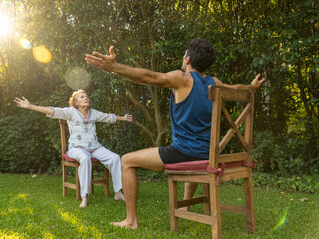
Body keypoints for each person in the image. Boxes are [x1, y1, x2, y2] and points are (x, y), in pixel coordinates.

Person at [85, 38, 265, 228]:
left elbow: (150, 77)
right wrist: (251, 88)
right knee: (191, 151)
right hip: (209, 153)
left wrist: (114, 67)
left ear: (187, 59)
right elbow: (236, 89)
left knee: (127, 161)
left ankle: (130, 221)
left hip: (185, 153)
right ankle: (185, 209)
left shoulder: (183, 78)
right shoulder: (215, 83)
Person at [14, 89, 133, 207]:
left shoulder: (93, 113)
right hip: (77, 148)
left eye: (86, 96)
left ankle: (118, 192)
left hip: (95, 147)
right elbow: (51, 110)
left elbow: (107, 117)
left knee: (115, 158)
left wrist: (123, 118)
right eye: (81, 97)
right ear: (75, 103)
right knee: (85, 158)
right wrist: (30, 106)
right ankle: (84, 197)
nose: (85, 98)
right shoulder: (70, 112)